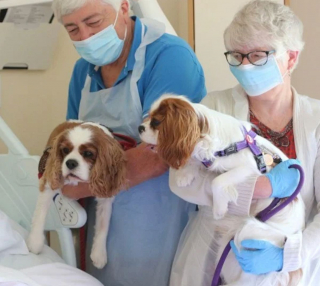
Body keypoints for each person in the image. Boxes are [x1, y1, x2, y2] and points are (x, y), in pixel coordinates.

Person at [51, 0, 206, 285]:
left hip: (156, 218)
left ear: (123, 8)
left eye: (94, 23)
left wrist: (76, 187)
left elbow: (157, 155)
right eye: (72, 29)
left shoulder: (170, 58)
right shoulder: (83, 72)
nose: (85, 37)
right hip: (99, 219)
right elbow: (64, 150)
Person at [169, 1, 320, 285]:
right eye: (237, 56)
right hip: (215, 259)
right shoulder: (213, 107)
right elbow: (181, 180)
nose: (246, 65)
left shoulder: (316, 121)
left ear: (291, 58)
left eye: (258, 55)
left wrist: (287, 256)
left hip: (293, 267)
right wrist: (259, 188)